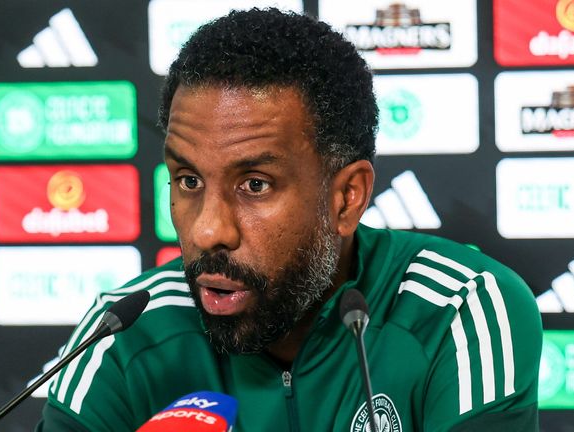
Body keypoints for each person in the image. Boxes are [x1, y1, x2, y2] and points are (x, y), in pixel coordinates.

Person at [37, 8, 542, 431]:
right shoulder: (122, 336)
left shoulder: (459, 309)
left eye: (255, 184)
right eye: (188, 180)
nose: (207, 231)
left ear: (347, 198)